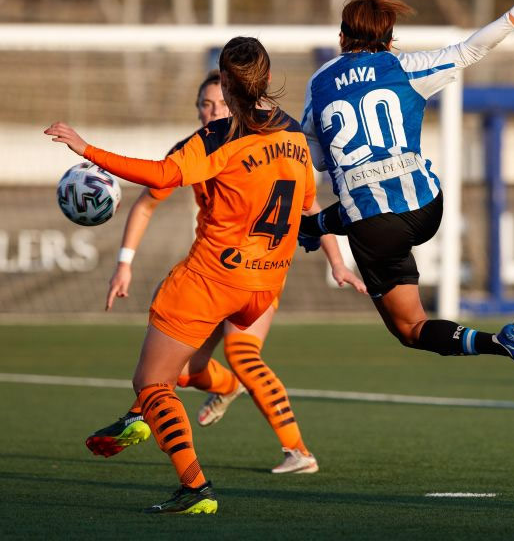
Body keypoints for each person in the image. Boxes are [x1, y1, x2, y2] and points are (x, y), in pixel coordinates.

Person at [45, 36, 322, 515]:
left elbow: (159, 176)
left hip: (215, 278)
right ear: (267, 78)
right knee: (186, 360)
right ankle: (143, 416)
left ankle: (194, 486)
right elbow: (306, 205)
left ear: (225, 82)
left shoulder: (219, 138)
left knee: (153, 381)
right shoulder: (295, 135)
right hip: (266, 284)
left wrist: (86, 148)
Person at [85, 70, 365, 476]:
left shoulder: (258, 141)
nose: (214, 110)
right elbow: (146, 203)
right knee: (185, 371)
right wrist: (124, 262)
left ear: (235, 102)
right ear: (198, 108)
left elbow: (310, 206)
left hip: (251, 271)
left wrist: (337, 261)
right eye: (206, 103)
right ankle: (212, 392)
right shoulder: (200, 147)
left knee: (239, 354)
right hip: (223, 273)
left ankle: (297, 451)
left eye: (220, 102)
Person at [299, 0, 514, 371]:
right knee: (359, 207)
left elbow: (317, 159)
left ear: (341, 37)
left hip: (375, 227)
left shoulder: (319, 83)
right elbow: (469, 50)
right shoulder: (405, 66)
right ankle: (501, 342)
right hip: (426, 207)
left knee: (410, 328)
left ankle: (312, 226)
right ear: (390, 39)